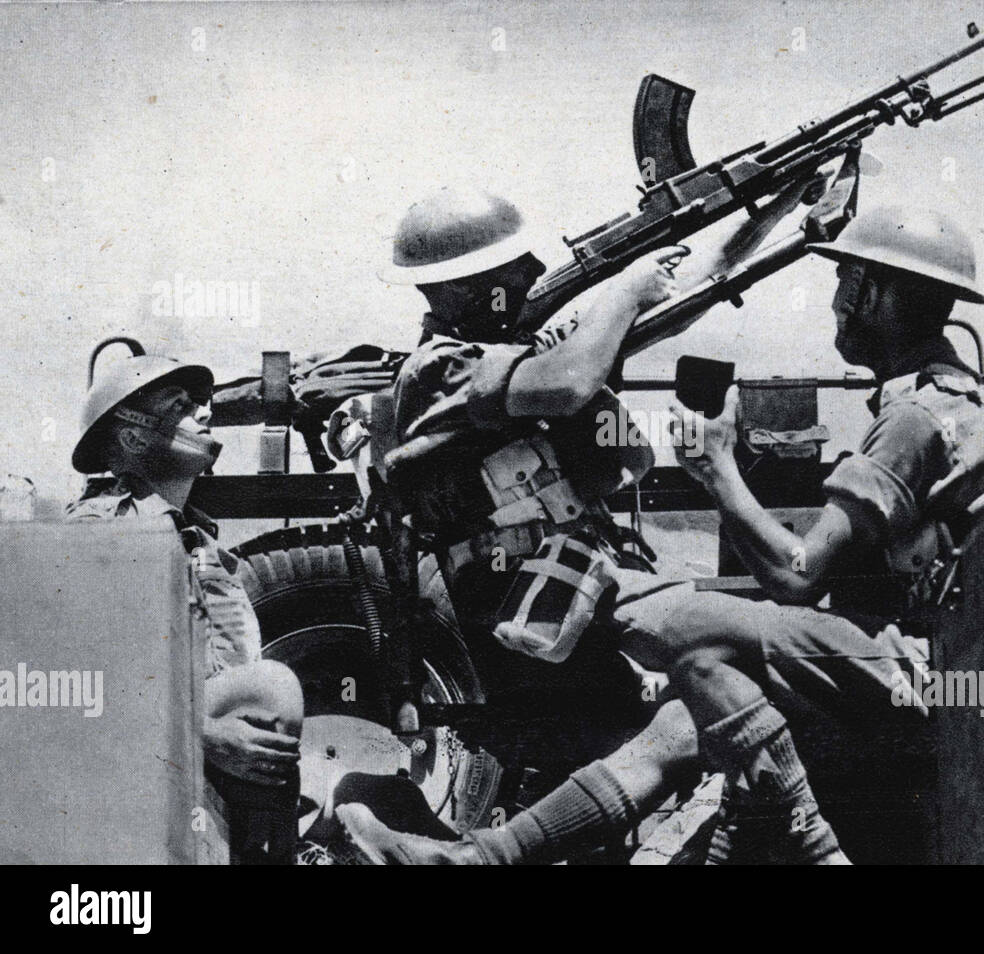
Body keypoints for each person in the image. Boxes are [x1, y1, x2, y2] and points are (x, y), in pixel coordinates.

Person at [336, 180, 855, 864]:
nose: (533, 276)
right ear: (457, 289)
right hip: (533, 601)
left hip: (580, 593)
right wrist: (624, 290)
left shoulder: (513, 349)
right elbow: (573, 381)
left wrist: (784, 214)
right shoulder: (440, 369)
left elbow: (682, 295)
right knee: (778, 643)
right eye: (513, 269)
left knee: (693, 717)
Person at [67, 348, 304, 863]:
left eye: (201, 400)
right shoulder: (102, 531)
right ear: (132, 437)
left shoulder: (202, 546)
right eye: (180, 404)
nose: (205, 411)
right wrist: (202, 733)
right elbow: (61, 684)